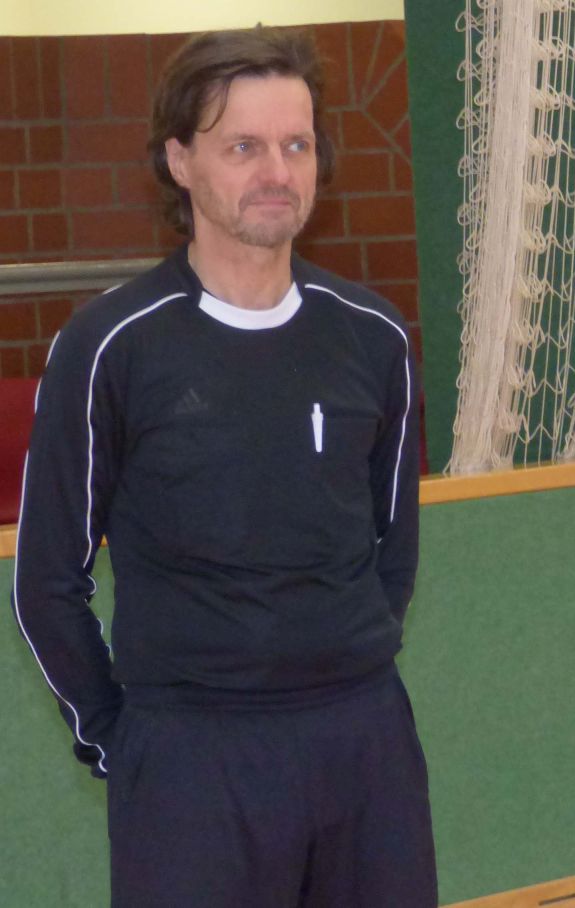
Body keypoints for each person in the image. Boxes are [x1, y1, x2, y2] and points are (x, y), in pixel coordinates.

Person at [12, 28, 436, 907]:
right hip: (190, 760)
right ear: (179, 160)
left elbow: (392, 547)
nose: (277, 171)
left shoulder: (375, 338)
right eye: (243, 147)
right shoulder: (110, 346)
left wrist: (343, 662)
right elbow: (47, 581)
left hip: (365, 747)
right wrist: (123, 740)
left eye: (296, 145)